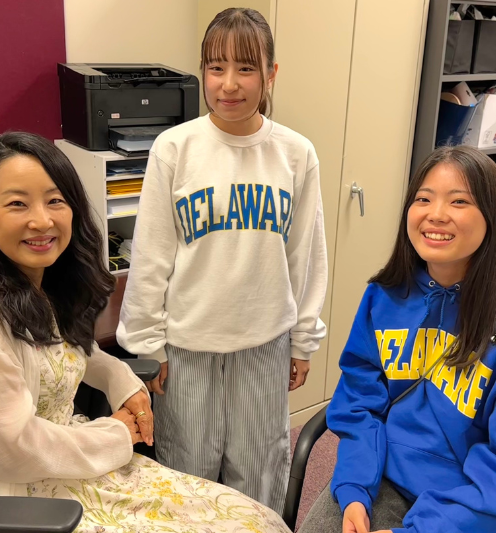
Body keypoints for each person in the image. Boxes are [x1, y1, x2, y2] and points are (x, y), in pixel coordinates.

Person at [0, 132, 291, 533]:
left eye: (55, 200)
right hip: (29, 508)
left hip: (76, 471)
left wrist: (118, 378)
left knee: (257, 519)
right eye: (17, 203)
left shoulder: (28, 283)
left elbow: (61, 354)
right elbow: (15, 450)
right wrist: (117, 434)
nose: (42, 220)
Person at [116, 7, 328, 514]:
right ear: (202, 71)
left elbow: (306, 256)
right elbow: (151, 255)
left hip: (265, 343)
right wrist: (149, 345)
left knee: (258, 477)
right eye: (216, 67)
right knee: (187, 478)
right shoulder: (175, 148)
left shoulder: (295, 154)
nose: (229, 84)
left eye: (246, 68)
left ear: (271, 74)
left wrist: (304, 338)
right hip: (188, 347)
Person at [299, 145, 496, 533]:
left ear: (493, 218)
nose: (436, 214)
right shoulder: (385, 296)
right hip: (383, 479)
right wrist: (355, 487)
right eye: (423, 199)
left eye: (459, 201)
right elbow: (360, 403)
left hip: (469, 505)